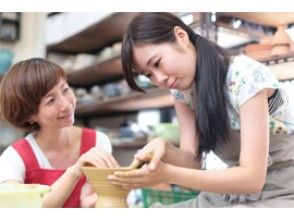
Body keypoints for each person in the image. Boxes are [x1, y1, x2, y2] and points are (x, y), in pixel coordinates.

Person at [108, 12, 294, 207]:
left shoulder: (245, 76)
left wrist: (168, 174)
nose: (159, 79)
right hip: (233, 191)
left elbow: (252, 179)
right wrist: (163, 147)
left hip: (282, 189)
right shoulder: (182, 92)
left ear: (181, 36)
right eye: (148, 75)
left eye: (157, 63)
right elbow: (193, 161)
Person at [0, 58, 119, 208]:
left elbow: (102, 202)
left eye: (65, 90)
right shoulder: (14, 158)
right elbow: (16, 210)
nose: (66, 105)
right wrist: (75, 171)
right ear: (29, 115)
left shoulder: (98, 142)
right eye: (51, 101)